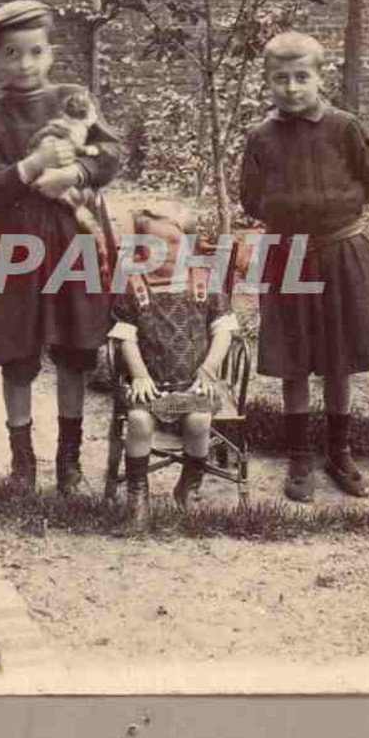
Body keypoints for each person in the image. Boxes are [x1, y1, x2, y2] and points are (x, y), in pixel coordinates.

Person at [0, 0, 122, 495]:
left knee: (75, 348)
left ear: (50, 53)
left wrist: (73, 172)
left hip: (73, 241)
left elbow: (113, 152)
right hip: (16, 245)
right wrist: (29, 169)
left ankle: (69, 462)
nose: (25, 64)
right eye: (12, 53)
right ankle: (23, 462)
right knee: (18, 349)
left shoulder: (74, 99)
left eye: (35, 52)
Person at [240, 31, 369, 503]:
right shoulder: (261, 137)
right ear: (268, 82)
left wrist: (332, 210)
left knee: (338, 358)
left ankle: (339, 452)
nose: (291, 87)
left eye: (301, 77)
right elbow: (251, 196)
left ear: (319, 77)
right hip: (287, 254)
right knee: (294, 358)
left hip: (340, 253)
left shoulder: (345, 126)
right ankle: (299, 458)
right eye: (280, 79)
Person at [108, 202, 239, 528]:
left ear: (190, 246)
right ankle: (138, 493)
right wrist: (137, 375)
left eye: (174, 243)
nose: (164, 251)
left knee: (198, 423)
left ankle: (189, 487)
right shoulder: (134, 284)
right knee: (138, 421)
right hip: (150, 382)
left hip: (195, 382)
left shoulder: (202, 280)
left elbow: (223, 331)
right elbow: (125, 336)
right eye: (153, 243)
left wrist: (209, 371)